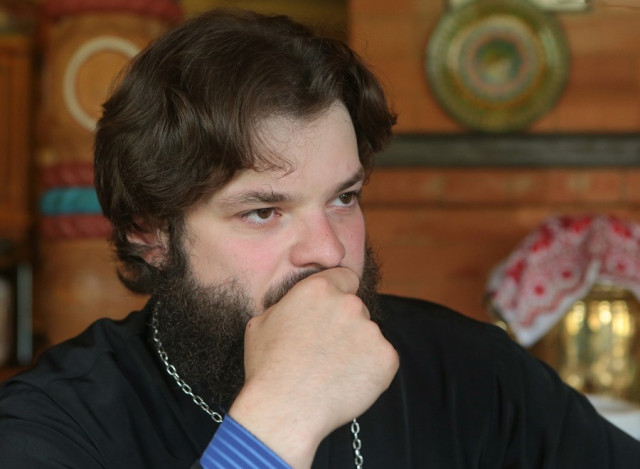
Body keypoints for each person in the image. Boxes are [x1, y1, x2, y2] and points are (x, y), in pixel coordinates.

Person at [1, 8, 639, 468]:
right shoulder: (52, 424)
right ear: (150, 230)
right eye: (263, 212)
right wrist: (282, 418)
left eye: (344, 198)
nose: (330, 251)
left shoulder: (472, 373)